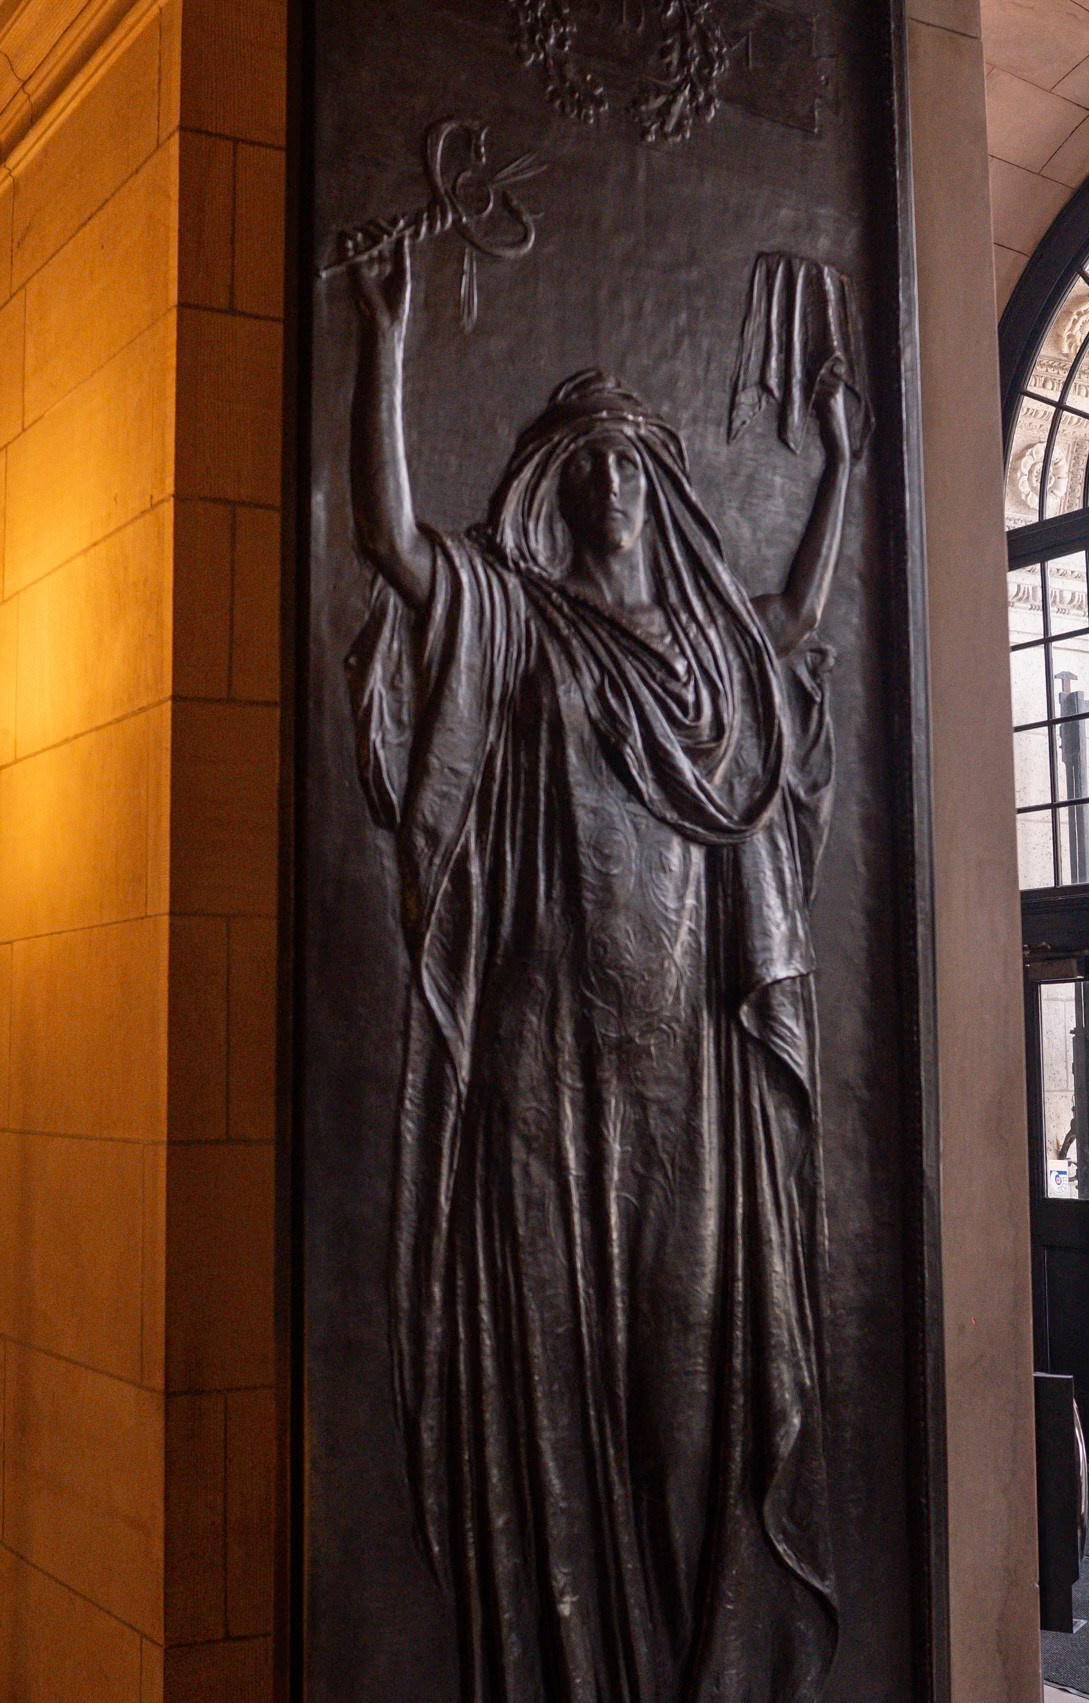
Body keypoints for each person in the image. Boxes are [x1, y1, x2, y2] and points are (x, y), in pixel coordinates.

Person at [343, 230, 852, 1699]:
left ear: (658, 487)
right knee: (562, 1376)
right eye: (587, 465)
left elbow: (798, 620)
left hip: (689, 1063)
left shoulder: (709, 652)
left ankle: (699, 1661)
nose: (609, 482)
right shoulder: (522, 620)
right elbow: (391, 545)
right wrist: (385, 345)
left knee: (688, 1382)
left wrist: (838, 462)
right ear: (559, 486)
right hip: (548, 1055)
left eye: (629, 461)